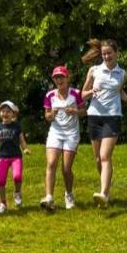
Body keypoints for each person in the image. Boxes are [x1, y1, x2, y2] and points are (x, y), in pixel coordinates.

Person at [80, 39, 127, 207]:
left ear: (117, 53)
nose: (106, 56)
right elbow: (82, 95)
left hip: (112, 117)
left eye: (109, 53)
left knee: (105, 156)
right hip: (94, 117)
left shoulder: (122, 73)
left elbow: (118, 91)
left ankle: (103, 193)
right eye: (104, 54)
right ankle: (106, 191)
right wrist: (91, 91)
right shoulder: (94, 70)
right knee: (98, 159)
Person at [41, 66, 84, 210]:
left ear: (67, 78)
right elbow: (47, 116)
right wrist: (51, 114)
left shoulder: (76, 93)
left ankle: (69, 194)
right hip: (55, 132)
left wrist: (74, 111)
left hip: (71, 134)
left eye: (61, 77)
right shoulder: (50, 95)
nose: (59, 80)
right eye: (56, 78)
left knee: (66, 169)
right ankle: (49, 197)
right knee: (51, 163)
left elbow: (84, 111)